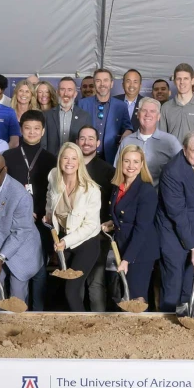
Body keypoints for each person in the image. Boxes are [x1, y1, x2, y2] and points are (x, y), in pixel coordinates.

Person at [3, 111, 57, 310]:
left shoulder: (52, 159)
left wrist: (41, 213)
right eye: (27, 128)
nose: (32, 132)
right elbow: (3, 193)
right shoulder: (7, 157)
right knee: (17, 269)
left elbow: (54, 193)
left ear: (43, 131)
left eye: (36, 128)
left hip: (41, 222)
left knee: (40, 270)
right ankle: (19, 311)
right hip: (15, 224)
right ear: (21, 129)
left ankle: (39, 312)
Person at [156, 130, 194, 312]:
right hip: (172, 232)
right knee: (174, 280)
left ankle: (186, 318)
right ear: (184, 148)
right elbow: (177, 214)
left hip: (191, 227)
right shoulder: (172, 172)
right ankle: (167, 324)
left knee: (189, 278)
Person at [0, 153, 41, 310]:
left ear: (4, 170)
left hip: (21, 250)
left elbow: (21, 232)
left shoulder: (20, 195)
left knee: (16, 299)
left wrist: (0, 259)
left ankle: (17, 330)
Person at [45, 142, 102, 311]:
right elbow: (50, 197)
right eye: (65, 157)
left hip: (86, 243)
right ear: (60, 160)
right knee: (68, 289)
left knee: (72, 289)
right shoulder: (54, 176)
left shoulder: (91, 190)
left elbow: (91, 225)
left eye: (74, 158)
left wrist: (66, 241)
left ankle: (82, 327)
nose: (69, 162)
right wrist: (48, 215)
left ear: (79, 162)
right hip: (64, 241)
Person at [104, 145, 160, 304]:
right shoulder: (117, 187)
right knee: (126, 297)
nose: (131, 166)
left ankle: (143, 329)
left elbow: (142, 228)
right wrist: (111, 223)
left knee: (137, 298)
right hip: (123, 246)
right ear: (120, 163)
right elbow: (123, 216)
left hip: (140, 252)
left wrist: (127, 260)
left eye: (136, 162)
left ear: (142, 164)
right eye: (127, 161)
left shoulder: (146, 190)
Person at [77, 126, 115, 310]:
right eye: (83, 138)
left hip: (98, 234)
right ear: (77, 142)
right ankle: (76, 322)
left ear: (98, 143)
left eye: (91, 139)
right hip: (73, 235)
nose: (86, 142)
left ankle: (98, 324)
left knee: (96, 282)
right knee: (75, 282)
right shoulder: (69, 165)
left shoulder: (108, 170)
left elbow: (114, 202)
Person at [120, 97, 182, 184]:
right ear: (137, 114)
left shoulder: (170, 141)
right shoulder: (126, 141)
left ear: (158, 117)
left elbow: (183, 170)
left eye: (152, 111)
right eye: (144, 110)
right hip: (131, 195)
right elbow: (118, 172)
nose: (147, 114)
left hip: (160, 195)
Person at [78, 68, 132, 163]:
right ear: (94, 84)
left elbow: (128, 127)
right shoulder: (82, 104)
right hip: (85, 157)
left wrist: (127, 132)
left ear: (111, 84)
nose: (102, 84)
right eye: (98, 81)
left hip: (111, 157)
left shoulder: (121, 106)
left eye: (105, 80)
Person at [160, 63, 194, 150]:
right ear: (174, 81)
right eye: (179, 79)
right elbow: (162, 138)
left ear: (192, 81)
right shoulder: (165, 107)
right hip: (173, 159)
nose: (182, 82)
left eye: (186, 78)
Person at [43, 77, 89, 154]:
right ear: (57, 92)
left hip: (75, 162)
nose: (66, 94)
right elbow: (43, 144)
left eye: (70, 90)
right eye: (62, 89)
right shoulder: (47, 115)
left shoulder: (84, 116)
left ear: (75, 94)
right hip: (51, 161)